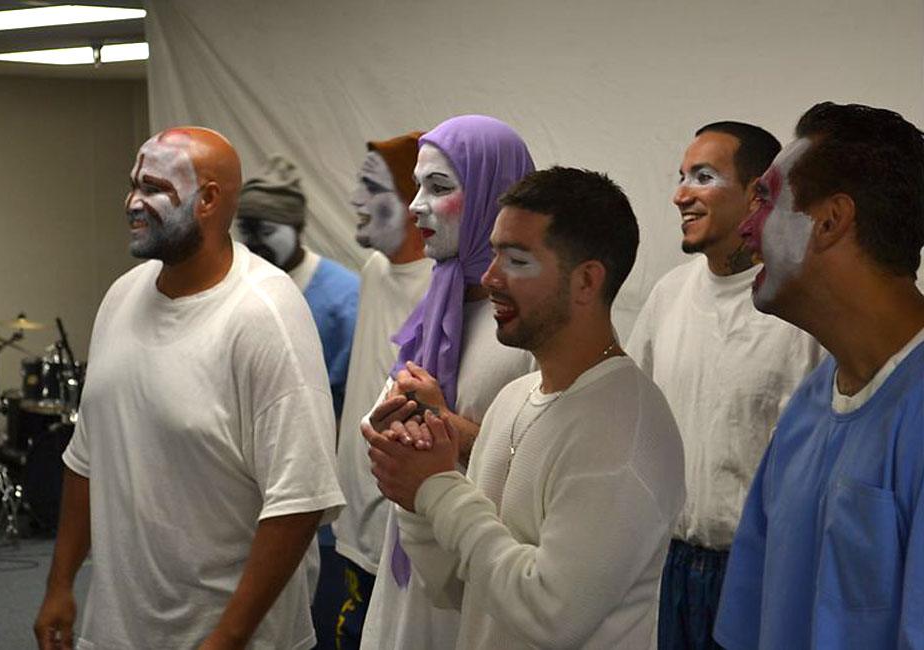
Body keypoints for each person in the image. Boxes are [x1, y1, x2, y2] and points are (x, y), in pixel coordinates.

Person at [34, 127, 345, 650]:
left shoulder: (265, 313)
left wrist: (226, 638)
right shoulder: (120, 298)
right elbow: (86, 460)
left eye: (153, 188)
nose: (133, 202)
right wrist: (60, 583)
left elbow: (300, 501)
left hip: (232, 637)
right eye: (132, 184)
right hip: (116, 631)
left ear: (208, 200)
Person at [365, 166, 685, 649]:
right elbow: (458, 587)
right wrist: (411, 487)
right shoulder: (515, 398)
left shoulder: (624, 430)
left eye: (516, 260)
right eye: (494, 254)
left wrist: (436, 487)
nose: (491, 277)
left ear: (585, 282)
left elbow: (548, 614)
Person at [715, 102, 924, 649]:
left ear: (830, 221)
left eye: (764, 198)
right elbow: (751, 615)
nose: (744, 226)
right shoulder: (810, 405)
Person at [625, 121, 823, 649]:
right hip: (669, 569)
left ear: (759, 193)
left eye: (703, 177)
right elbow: (632, 420)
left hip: (760, 575)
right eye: (681, 176)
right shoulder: (668, 296)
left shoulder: (800, 310)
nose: (680, 194)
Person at [359, 115, 537, 650]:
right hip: (413, 563)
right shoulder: (439, 301)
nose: (416, 206)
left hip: (480, 570)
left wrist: (442, 423)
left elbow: (542, 465)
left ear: (493, 196)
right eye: (418, 186)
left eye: (439, 188)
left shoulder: (530, 327)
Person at [332, 131, 433, 648]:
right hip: (353, 528)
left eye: (372, 188)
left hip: (404, 543)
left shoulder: (445, 289)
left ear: (413, 205)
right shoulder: (374, 271)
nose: (355, 200)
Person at [237, 153, 359, 421]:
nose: (254, 244)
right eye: (246, 233)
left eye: (267, 232)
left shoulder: (345, 297)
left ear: (298, 226)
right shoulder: (236, 285)